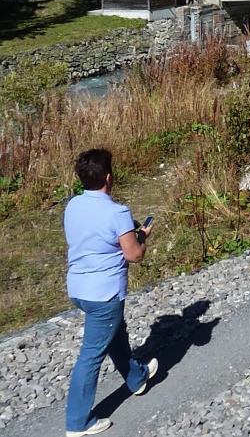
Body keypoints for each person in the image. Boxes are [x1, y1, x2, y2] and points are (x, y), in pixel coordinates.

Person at [63, 149, 158, 437]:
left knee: (116, 333)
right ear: (108, 177)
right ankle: (77, 423)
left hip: (78, 288)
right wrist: (142, 236)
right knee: (91, 356)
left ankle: (136, 378)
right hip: (103, 294)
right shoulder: (117, 213)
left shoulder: (72, 206)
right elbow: (134, 255)